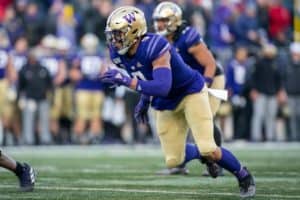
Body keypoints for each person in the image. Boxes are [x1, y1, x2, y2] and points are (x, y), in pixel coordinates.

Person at [101, 6, 255, 198]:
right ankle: (203, 156)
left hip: (189, 92)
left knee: (209, 147)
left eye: (119, 34)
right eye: (112, 34)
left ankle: (243, 174)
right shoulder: (118, 54)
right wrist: (145, 100)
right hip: (166, 102)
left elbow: (163, 85)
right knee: (173, 161)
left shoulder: (155, 45)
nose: (114, 40)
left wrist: (127, 82)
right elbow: (147, 76)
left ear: (135, 31)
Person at [152, 1, 225, 176]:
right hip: (185, 84)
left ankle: (216, 163)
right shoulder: (158, 40)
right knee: (177, 123)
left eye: (164, 20)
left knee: (203, 120)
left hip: (210, 78)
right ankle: (179, 163)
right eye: (157, 20)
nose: (160, 24)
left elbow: (210, 64)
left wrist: (204, 87)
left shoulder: (188, 37)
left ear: (175, 20)